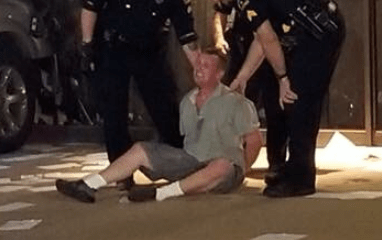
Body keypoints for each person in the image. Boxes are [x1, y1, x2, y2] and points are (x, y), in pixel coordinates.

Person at [199, 0, 345, 197]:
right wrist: (243, 76)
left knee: (299, 100)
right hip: (311, 31)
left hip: (318, 32)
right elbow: (262, 38)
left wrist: (283, 78)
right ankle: (295, 167)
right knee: (293, 102)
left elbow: (268, 39)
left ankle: (302, 177)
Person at [55, 48, 263, 203]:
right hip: (190, 162)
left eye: (206, 66)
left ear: (219, 74)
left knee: (222, 165)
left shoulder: (236, 102)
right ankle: (89, 184)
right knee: (140, 149)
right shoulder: (187, 102)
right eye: (198, 65)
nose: (199, 69)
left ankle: (161, 193)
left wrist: (242, 169)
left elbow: (254, 141)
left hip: (223, 170)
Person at [79, 0, 199, 189]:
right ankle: (122, 173)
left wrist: (199, 67)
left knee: (164, 107)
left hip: (149, 52)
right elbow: (90, 6)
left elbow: (186, 33)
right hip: (114, 49)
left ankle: (182, 162)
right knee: (114, 113)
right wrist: (87, 44)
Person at [213, 0, 294, 184]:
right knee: (233, 104)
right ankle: (226, 160)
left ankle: (277, 165)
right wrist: (218, 37)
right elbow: (220, 11)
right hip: (242, 48)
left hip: (273, 53)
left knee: (276, 110)